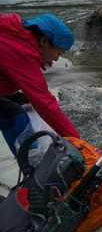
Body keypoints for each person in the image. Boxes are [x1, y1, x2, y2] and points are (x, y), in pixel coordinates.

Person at [0, 13, 80, 157]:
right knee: (14, 115)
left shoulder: (14, 34)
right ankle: (33, 168)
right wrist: (78, 144)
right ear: (43, 41)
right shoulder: (22, 51)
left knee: (14, 104)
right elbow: (44, 103)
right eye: (59, 51)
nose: (57, 58)